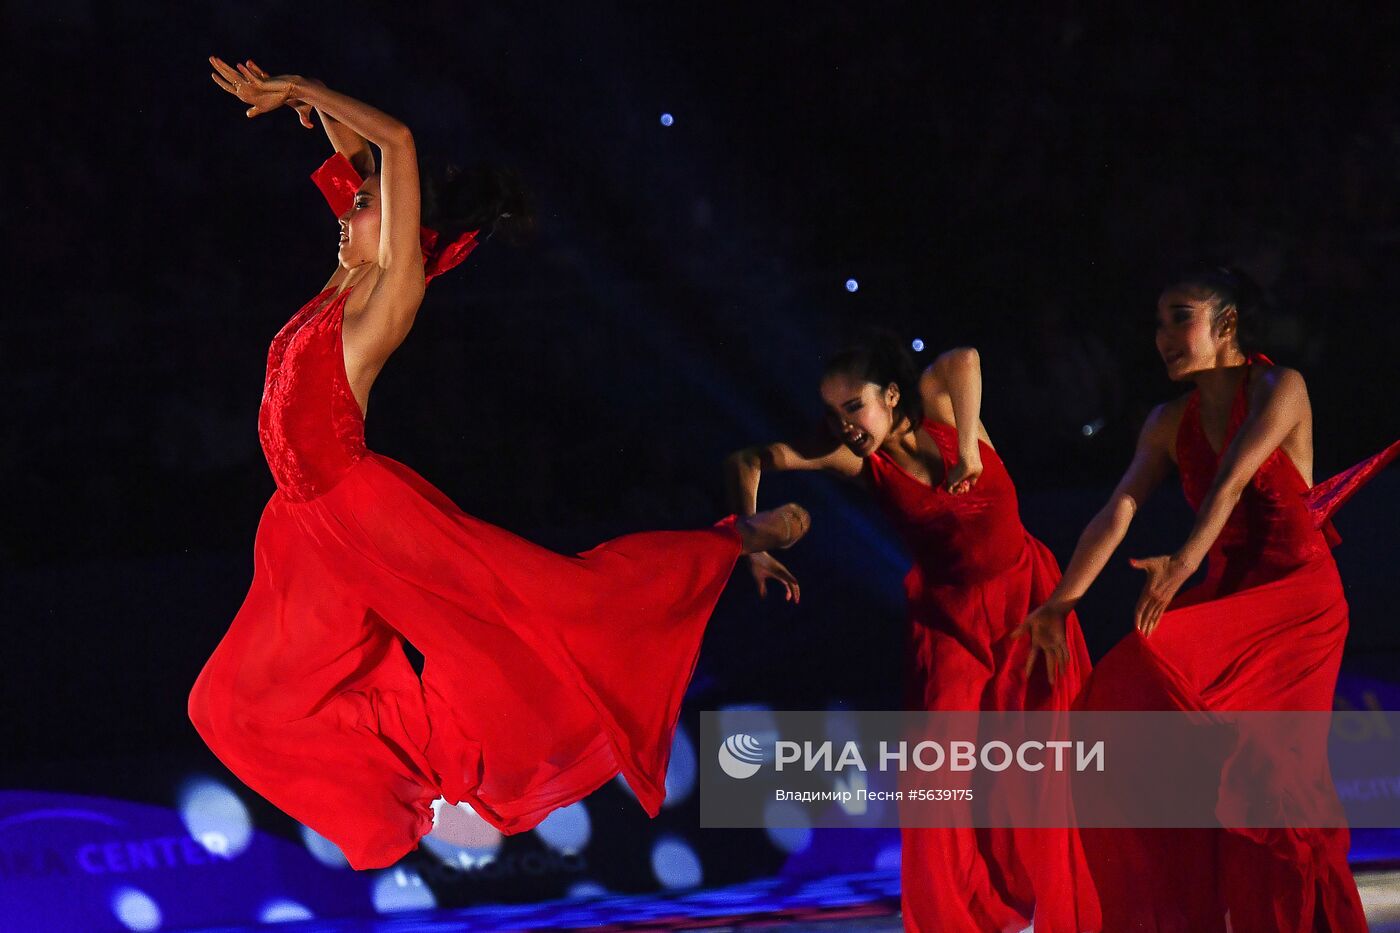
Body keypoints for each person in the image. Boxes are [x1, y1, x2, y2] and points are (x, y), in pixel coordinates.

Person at [188, 56, 810, 871]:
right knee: (223, 704)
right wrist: (309, 115)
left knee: (535, 615)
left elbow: (397, 144)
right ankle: (392, 790)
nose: (347, 205)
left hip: (357, 509)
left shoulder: (387, 295)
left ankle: (732, 540)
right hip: (299, 531)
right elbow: (369, 165)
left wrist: (305, 90)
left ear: (404, 233)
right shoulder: (344, 273)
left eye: (365, 205)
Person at [1021, 265, 1399, 931]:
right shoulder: (1168, 421)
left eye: (1179, 316)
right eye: (1159, 321)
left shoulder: (1280, 385)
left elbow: (1230, 481)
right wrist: (1061, 600)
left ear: (1226, 324)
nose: (1162, 334)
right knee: (1118, 695)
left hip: (1296, 603)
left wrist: (1184, 562)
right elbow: (1117, 510)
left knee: (1276, 777)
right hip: (1229, 594)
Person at [724, 335, 1099, 933]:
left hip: (1025, 598)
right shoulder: (855, 461)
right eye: (833, 413)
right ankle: (959, 916)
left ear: (891, 396)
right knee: (938, 771)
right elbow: (747, 459)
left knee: (1038, 763)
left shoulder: (941, 408)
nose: (844, 426)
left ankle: (1046, 904)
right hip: (950, 621)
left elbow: (967, 358)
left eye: (854, 408)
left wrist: (971, 447)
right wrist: (751, 539)